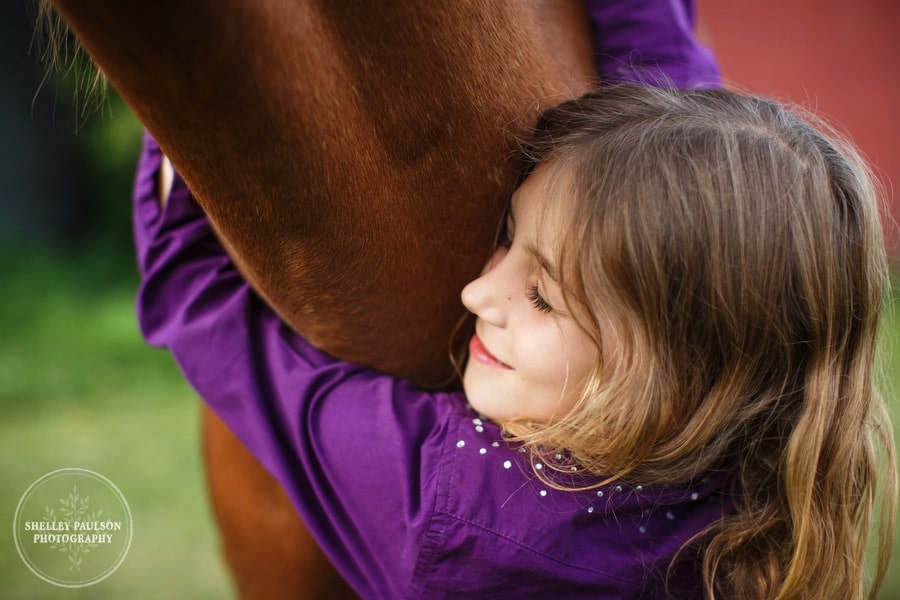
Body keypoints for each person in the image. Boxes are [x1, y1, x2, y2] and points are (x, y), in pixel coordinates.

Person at [134, 83, 895, 598]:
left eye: (541, 295)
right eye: (507, 238)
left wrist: (178, 120)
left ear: (681, 373)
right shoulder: (767, 469)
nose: (476, 294)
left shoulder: (462, 512)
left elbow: (209, 317)